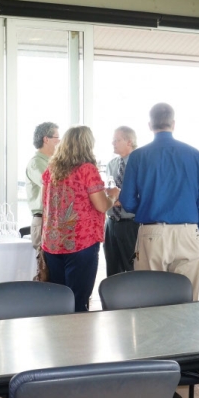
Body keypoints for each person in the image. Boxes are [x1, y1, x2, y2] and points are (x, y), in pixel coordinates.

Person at [121, 103, 199, 300]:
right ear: (173, 123)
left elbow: (126, 201)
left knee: (151, 300)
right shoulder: (194, 154)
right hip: (189, 232)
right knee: (187, 300)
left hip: (153, 232)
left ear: (150, 125)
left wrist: (147, 208)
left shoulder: (138, 156)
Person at [41, 126, 119, 311]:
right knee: (78, 302)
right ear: (87, 145)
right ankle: (77, 339)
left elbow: (46, 204)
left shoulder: (51, 169)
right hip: (81, 242)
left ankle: (58, 338)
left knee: (59, 300)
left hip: (53, 242)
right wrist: (113, 196)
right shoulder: (87, 170)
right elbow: (101, 205)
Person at [25, 122, 60, 281]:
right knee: (45, 270)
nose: (59, 142)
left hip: (55, 220)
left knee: (55, 272)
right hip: (43, 220)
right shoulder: (37, 162)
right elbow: (52, 184)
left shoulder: (53, 162)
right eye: (57, 138)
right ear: (46, 139)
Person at [104, 126, 139, 276]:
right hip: (111, 223)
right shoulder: (112, 164)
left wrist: (123, 200)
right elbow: (109, 188)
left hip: (131, 224)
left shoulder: (140, 163)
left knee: (132, 269)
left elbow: (144, 192)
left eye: (117, 140)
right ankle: (113, 299)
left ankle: (133, 299)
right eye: (113, 140)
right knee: (112, 269)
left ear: (129, 141)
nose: (113, 143)